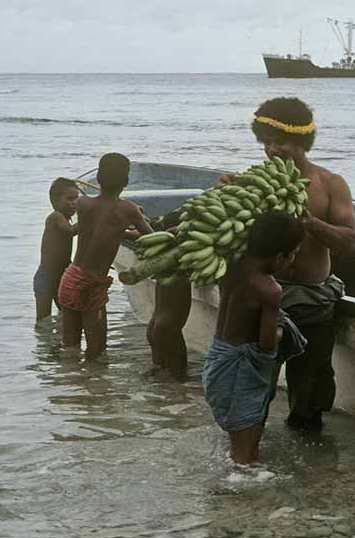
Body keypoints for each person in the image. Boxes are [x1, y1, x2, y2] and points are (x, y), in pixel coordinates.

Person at [248, 97, 355, 431]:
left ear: (300, 142)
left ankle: (310, 470)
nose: (271, 150)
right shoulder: (254, 184)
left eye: (279, 142)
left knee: (310, 391)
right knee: (255, 386)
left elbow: (349, 240)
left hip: (314, 302)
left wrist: (310, 224)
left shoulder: (330, 184)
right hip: (267, 301)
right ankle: (248, 459)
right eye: (265, 142)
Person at [203, 211, 307, 463]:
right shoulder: (269, 289)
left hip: (218, 360)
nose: (292, 262)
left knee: (237, 443)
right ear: (279, 256)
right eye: (292, 255)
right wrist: (282, 328)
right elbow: (267, 344)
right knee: (245, 457)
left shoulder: (229, 263)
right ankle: (237, 498)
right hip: (240, 372)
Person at [58, 153, 152, 360]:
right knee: (96, 352)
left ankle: (68, 386)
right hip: (91, 286)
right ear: (126, 181)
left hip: (70, 279)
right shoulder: (129, 209)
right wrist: (136, 217)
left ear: (99, 178)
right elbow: (152, 236)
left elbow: (97, 229)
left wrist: (125, 229)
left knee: (70, 348)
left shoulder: (83, 204)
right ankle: (95, 388)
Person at [145, 209, 192, 380]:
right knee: (180, 379)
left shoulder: (163, 259)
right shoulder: (184, 258)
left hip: (154, 326)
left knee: (160, 378)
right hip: (169, 328)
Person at [34, 178, 80, 324]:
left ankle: (60, 344)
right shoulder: (55, 217)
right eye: (69, 199)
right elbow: (71, 231)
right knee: (43, 321)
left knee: (66, 317)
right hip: (46, 277)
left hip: (62, 275)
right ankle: (44, 346)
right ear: (55, 201)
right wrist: (89, 217)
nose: (74, 203)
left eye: (76, 199)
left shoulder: (66, 218)